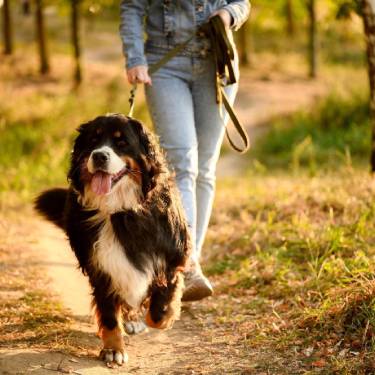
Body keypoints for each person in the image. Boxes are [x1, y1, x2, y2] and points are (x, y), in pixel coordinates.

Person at [120, 0, 250, 307]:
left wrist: (229, 14)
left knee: (204, 168)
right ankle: (188, 265)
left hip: (216, 63)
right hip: (166, 63)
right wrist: (134, 57)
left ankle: (190, 261)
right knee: (182, 165)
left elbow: (243, 2)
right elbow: (132, 6)